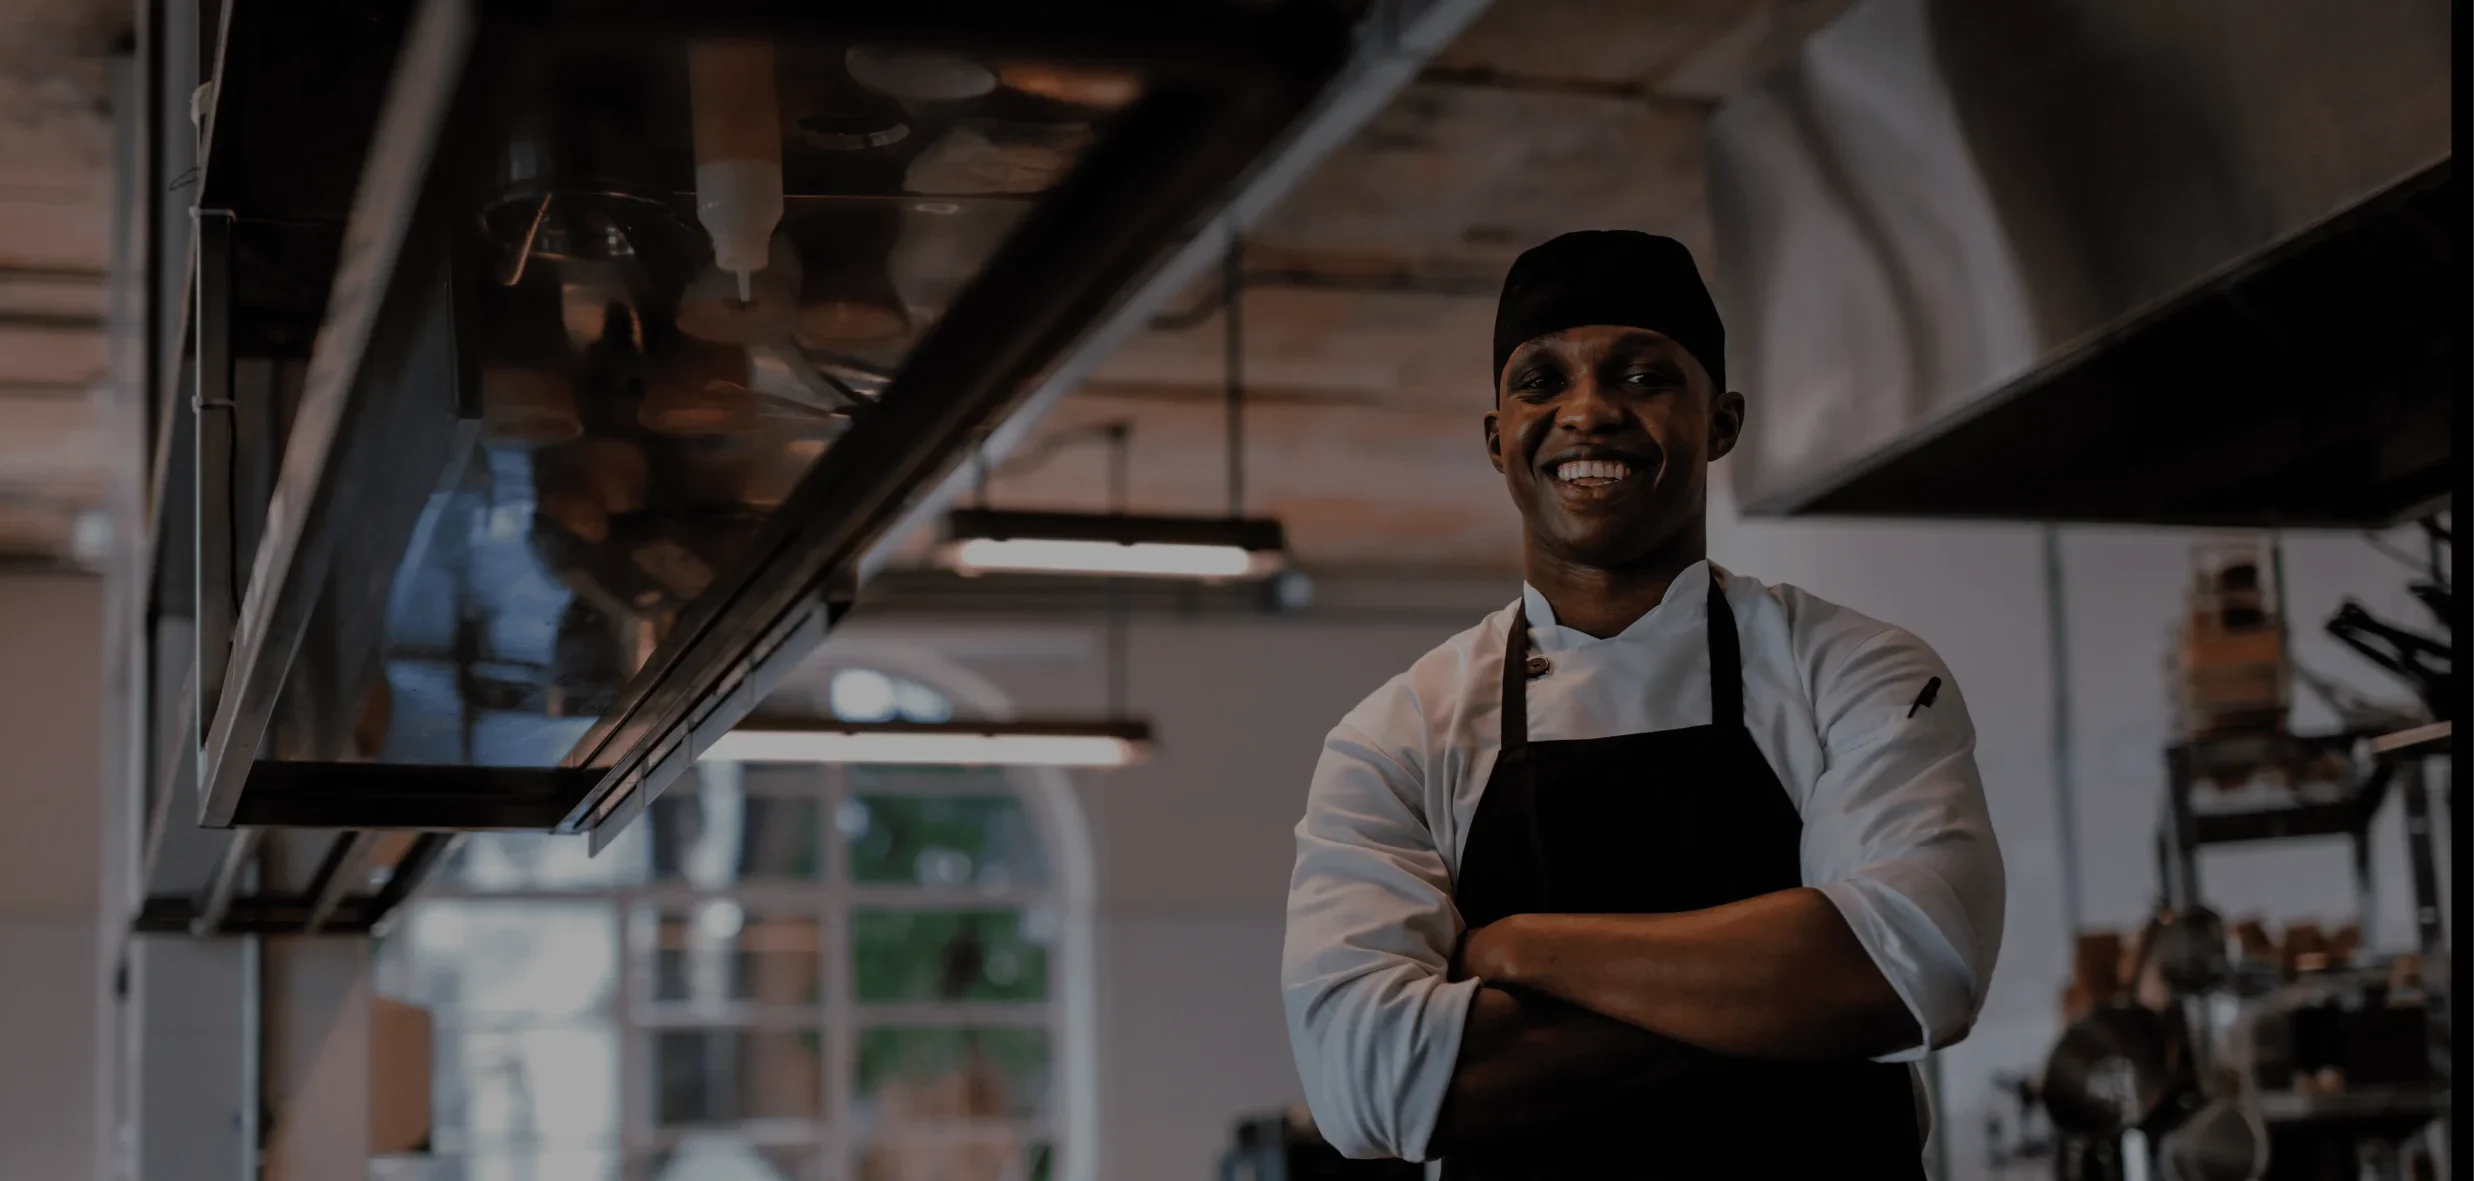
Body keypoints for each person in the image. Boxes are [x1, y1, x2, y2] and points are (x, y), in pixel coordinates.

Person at [1280, 231, 2004, 1178]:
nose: (1588, 412)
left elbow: (1916, 967)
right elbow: (1367, 1082)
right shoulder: (1399, 736)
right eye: (1542, 380)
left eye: (1642, 375)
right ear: (1499, 436)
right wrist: (1788, 994)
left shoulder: (1853, 670)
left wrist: (1525, 949)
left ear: (1722, 422)